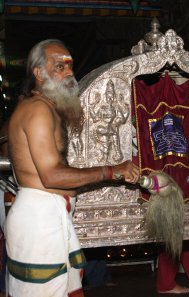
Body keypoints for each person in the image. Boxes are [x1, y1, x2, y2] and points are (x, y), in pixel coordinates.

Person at [5, 39, 140, 297]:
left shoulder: (43, 107)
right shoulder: (38, 111)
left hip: (49, 217)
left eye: (69, 66)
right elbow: (51, 174)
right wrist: (112, 171)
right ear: (38, 73)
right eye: (59, 67)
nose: (68, 73)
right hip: (39, 222)